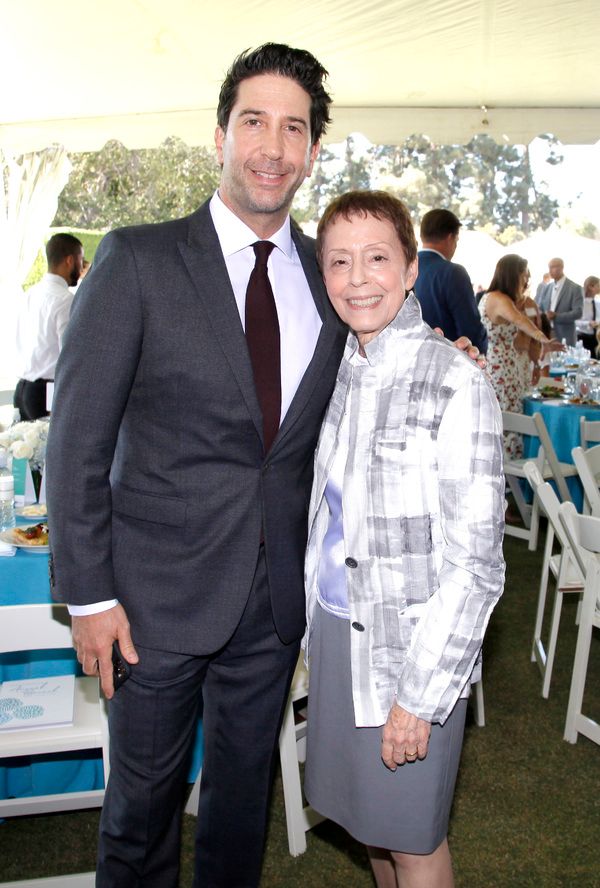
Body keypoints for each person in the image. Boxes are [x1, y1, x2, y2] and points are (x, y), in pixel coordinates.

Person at [45, 44, 483, 888]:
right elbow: (76, 442)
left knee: (241, 810)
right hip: (150, 603)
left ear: (313, 151)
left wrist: (449, 356)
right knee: (141, 818)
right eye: (255, 122)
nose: (272, 146)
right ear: (220, 137)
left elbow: (387, 346)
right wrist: (90, 596)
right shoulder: (136, 260)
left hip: (275, 609)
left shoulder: (331, 274)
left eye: (293, 128)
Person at [302, 190, 505, 888]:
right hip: (337, 634)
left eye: (378, 258)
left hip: (412, 649)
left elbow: (477, 568)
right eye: (339, 261)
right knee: (373, 836)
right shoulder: (335, 372)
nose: (358, 278)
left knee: (414, 842)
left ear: (412, 268)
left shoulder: (455, 381)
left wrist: (418, 696)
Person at [479, 254, 562, 457]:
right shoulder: (499, 298)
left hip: (506, 367)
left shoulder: (497, 298)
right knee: (506, 424)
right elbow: (519, 320)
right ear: (512, 274)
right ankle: (507, 478)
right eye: (524, 275)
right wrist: (542, 338)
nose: (526, 280)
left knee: (508, 424)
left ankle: (510, 480)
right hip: (501, 373)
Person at [13, 233, 84, 420]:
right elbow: (69, 355)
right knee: (48, 448)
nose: (82, 265)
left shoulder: (31, 293)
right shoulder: (65, 300)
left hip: (22, 389)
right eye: (80, 259)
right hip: (47, 391)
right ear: (70, 260)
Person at [413, 208, 488, 353]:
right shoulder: (452, 273)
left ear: (422, 236)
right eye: (457, 240)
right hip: (445, 362)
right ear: (450, 238)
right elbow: (470, 330)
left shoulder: (404, 268)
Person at [535, 257, 583, 346]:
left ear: (561, 267)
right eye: (549, 267)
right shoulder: (547, 287)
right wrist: (544, 315)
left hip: (565, 335)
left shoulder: (575, 288)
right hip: (547, 333)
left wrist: (557, 316)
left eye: (553, 267)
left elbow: (578, 313)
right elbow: (539, 307)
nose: (550, 270)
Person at [576, 275, 600, 354]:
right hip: (583, 338)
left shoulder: (597, 303)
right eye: (598, 285)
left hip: (596, 338)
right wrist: (588, 323)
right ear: (591, 286)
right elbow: (575, 321)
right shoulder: (580, 303)